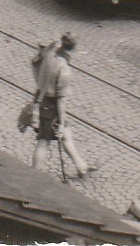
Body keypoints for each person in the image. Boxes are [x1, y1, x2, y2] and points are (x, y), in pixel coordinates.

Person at [30, 33, 92, 178]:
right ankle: (33, 176)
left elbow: (36, 65)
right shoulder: (64, 70)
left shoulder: (49, 55)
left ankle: (81, 166)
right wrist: (61, 122)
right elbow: (60, 101)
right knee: (43, 142)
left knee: (66, 135)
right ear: (73, 50)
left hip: (41, 99)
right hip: (51, 106)